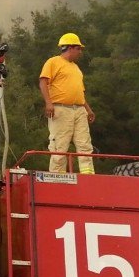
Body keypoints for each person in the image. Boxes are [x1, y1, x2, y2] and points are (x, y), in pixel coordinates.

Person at [39, 33, 96, 174]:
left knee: (85, 145)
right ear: (70, 48)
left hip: (79, 110)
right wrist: (48, 103)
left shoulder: (76, 68)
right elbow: (43, 82)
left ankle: (88, 176)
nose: (80, 52)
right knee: (60, 146)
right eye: (78, 48)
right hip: (60, 109)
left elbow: (80, 92)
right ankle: (58, 178)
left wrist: (88, 109)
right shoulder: (53, 62)